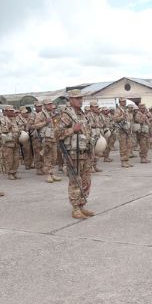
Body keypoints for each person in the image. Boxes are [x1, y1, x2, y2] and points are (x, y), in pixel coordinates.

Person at [58, 90, 94, 219]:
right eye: (77, 98)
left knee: (86, 181)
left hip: (85, 153)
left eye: (81, 98)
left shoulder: (82, 114)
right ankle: (75, 208)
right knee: (75, 182)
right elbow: (57, 134)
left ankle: (82, 205)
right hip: (73, 154)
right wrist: (73, 129)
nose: (80, 100)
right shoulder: (66, 115)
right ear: (70, 100)